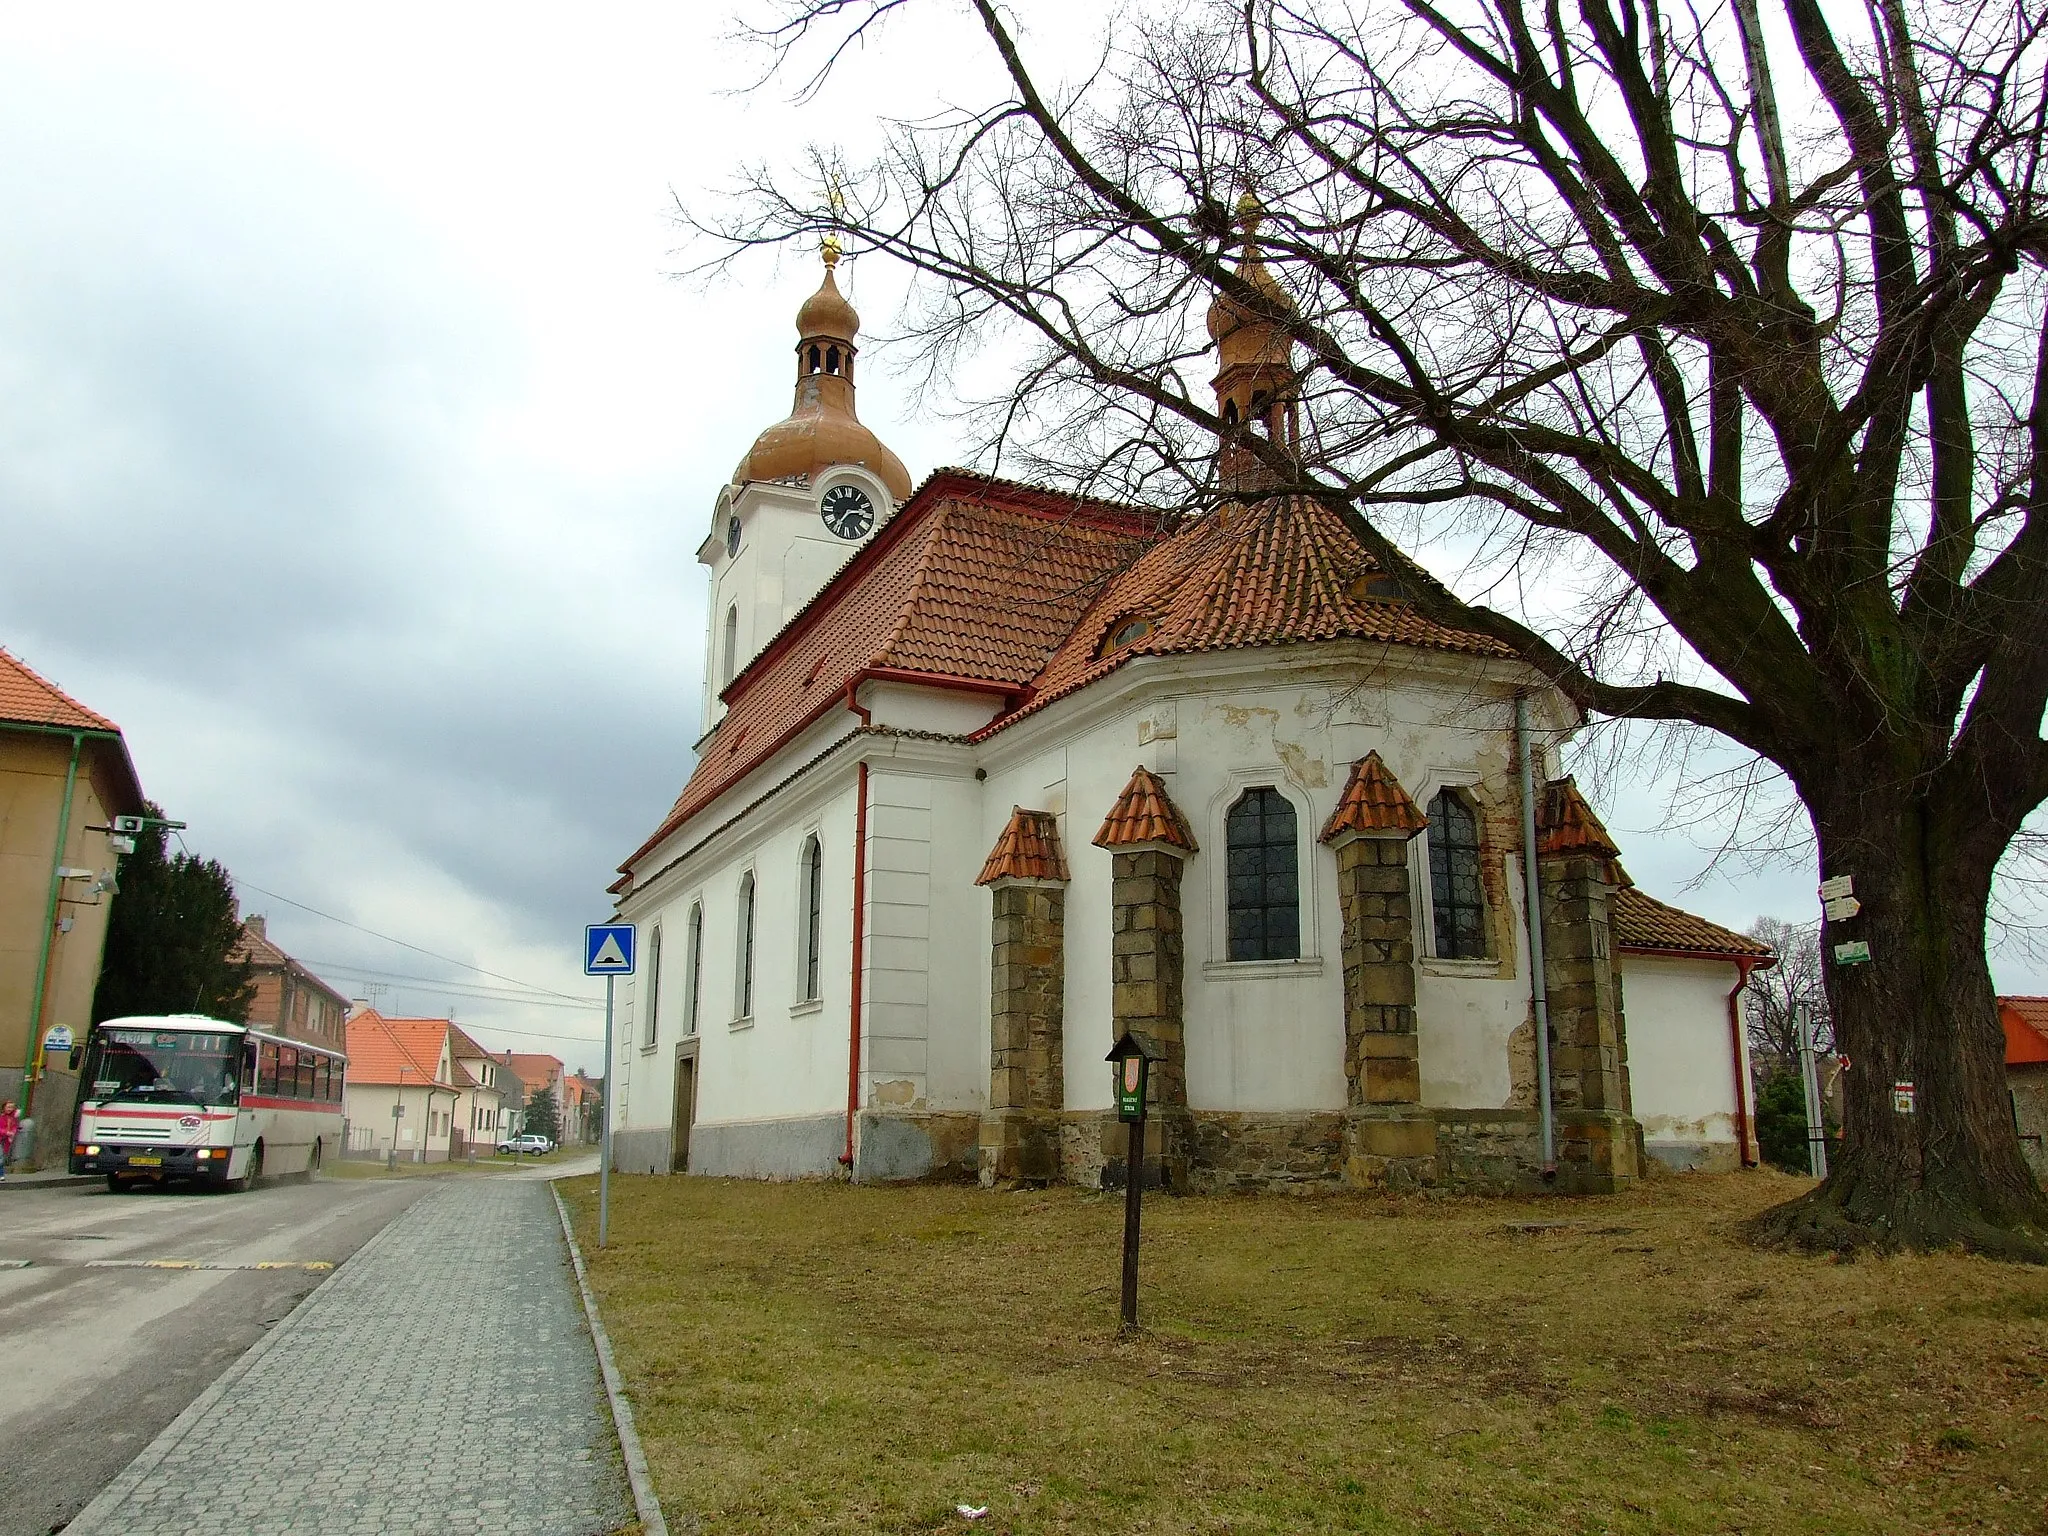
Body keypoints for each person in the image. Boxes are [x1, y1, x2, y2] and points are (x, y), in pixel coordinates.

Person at [0, 1100, 20, 1181]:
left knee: (3, 1157)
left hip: (6, 1140)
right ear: (4, 1107)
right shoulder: (1, 1117)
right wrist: (6, 1132)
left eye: (11, 1107)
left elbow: (14, 1126)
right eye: (8, 1107)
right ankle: (1, 1174)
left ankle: (1, 1174)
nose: (10, 1109)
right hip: (2, 1138)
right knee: (1, 1158)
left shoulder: (13, 1118)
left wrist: (13, 1131)